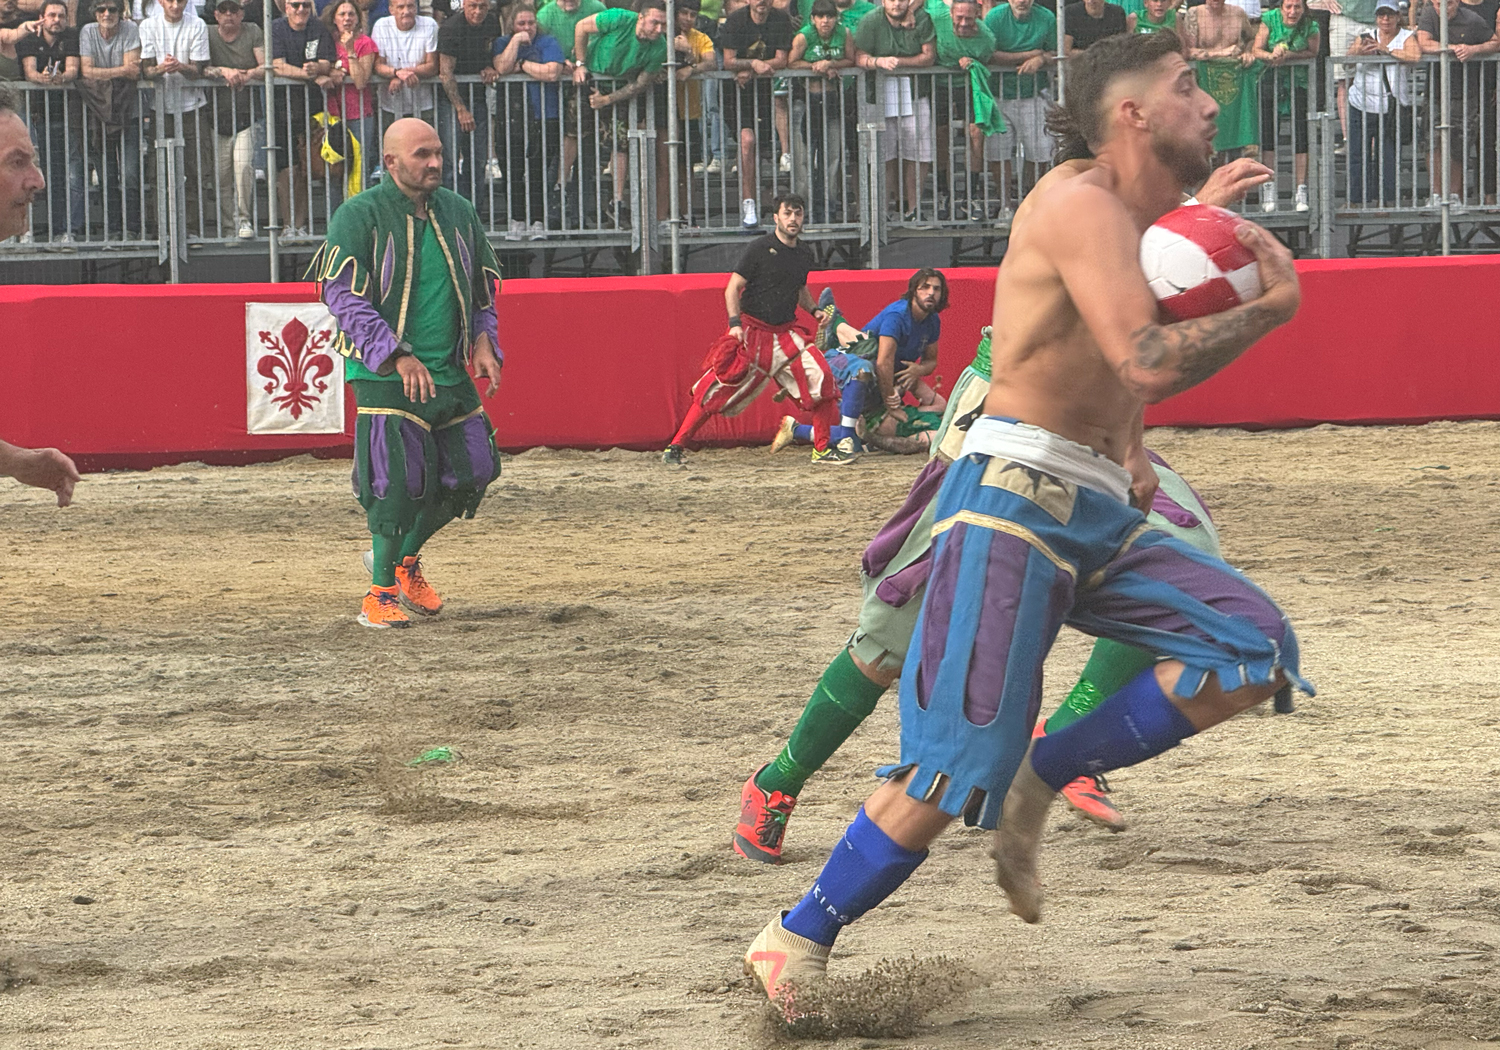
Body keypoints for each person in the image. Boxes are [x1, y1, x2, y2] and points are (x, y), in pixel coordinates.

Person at [742, 32, 1307, 1018]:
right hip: (1008, 503)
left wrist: (1130, 449)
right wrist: (1270, 310)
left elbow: (1113, 365)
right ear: (1131, 114)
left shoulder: (1135, 216)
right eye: (1186, 88)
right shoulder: (1078, 203)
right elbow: (1143, 356)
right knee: (952, 765)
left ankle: (1045, 771)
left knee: (1253, 650)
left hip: (1088, 505)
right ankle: (795, 936)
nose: (1209, 102)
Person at [313, 117, 504, 629]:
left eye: (438, 152)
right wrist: (394, 354)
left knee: (474, 472)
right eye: (422, 155)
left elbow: (482, 289)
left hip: (448, 367)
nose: (436, 163)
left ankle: (402, 562)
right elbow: (341, 296)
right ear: (392, 162)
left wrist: (485, 341)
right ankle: (377, 595)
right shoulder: (359, 215)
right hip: (382, 371)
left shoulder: (459, 212)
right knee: (395, 483)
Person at [662, 192, 846, 467]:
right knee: (716, 389)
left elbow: (800, 289)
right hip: (753, 333)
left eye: (798, 214)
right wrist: (735, 325)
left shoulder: (804, 253)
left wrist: (814, 310)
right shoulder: (759, 248)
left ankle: (821, 449)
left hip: (786, 334)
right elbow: (732, 288)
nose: (793, 219)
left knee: (823, 379)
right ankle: (675, 446)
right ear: (776, 217)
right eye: (787, 213)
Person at [778, 268, 950, 456]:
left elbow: (930, 362)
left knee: (917, 395)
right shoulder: (898, 315)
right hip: (856, 370)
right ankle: (836, 328)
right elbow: (883, 363)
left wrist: (917, 370)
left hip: (882, 385)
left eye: (936, 289)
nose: (931, 293)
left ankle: (837, 328)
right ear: (914, 291)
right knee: (866, 364)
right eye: (925, 287)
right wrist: (891, 403)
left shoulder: (932, 320)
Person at [570, 0, 668, 229]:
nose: (659, 29)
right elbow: (581, 27)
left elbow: (640, 85)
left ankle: (617, 200)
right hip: (592, 76)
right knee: (574, 133)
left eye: (663, 24)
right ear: (641, 17)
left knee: (621, 142)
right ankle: (562, 190)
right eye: (655, 23)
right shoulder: (619, 18)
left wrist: (607, 100)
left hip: (620, 89)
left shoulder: (659, 46)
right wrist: (580, 63)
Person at [852, 0, 936, 222]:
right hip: (878, 95)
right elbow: (859, 56)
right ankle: (883, 210)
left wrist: (898, 62)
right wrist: (878, 61)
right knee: (883, 153)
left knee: (918, 153)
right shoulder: (870, 20)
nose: (897, 3)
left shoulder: (922, 18)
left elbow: (929, 56)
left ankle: (914, 209)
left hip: (916, 93)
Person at [139, 0, 214, 236]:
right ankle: (159, 229)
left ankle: (191, 228)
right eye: (170, 0)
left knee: (195, 170)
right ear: (161, 2)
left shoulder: (198, 24)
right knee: (157, 171)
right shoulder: (148, 25)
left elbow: (198, 70)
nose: (175, 5)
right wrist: (162, 68)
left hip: (193, 106)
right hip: (159, 107)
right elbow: (147, 69)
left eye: (180, 0)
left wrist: (179, 66)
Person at [491, 1, 565, 239]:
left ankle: (538, 220)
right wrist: (515, 41)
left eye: (531, 23)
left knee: (538, 170)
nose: (527, 27)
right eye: (521, 23)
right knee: (511, 169)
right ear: (512, 25)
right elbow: (501, 67)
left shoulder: (548, 42)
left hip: (545, 113)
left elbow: (552, 72)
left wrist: (522, 64)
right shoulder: (503, 42)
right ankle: (516, 219)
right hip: (510, 116)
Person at [1416, 0, 1497, 209]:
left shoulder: (1472, 19)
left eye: (1446, 4)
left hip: (1465, 92)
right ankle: (1436, 194)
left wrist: (1473, 50)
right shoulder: (1428, 15)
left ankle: (1454, 195)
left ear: (1455, 3)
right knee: (1431, 142)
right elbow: (1423, 42)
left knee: (1458, 145)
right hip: (1436, 91)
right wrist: (1453, 49)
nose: (1441, 9)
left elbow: (1495, 42)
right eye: (1436, 4)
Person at [720, 0, 793, 228]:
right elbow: (728, 61)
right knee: (746, 141)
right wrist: (753, 64)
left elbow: (782, 59)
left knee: (758, 147)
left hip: (764, 91)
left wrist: (753, 69)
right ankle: (748, 204)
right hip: (736, 91)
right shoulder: (735, 20)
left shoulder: (781, 19)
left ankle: (761, 201)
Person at [984, 0, 1056, 220]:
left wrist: (1041, 58)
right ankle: (1005, 205)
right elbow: (989, 54)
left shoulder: (1047, 17)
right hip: (998, 93)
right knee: (999, 152)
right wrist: (1028, 55)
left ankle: (1029, 203)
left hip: (1034, 93)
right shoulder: (994, 17)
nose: (1021, 1)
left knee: (1040, 151)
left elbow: (1057, 51)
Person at [17, 0, 82, 241]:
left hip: (67, 116)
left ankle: (65, 231)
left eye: (61, 16)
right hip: (36, 118)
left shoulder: (72, 37)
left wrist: (61, 77)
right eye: (52, 15)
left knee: (68, 175)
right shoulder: (30, 38)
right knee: (39, 175)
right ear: (42, 17)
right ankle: (26, 231)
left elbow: (73, 70)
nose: (57, 20)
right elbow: (30, 72)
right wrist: (43, 79)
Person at [270, 0, 336, 236]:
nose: (301, 10)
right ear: (285, 7)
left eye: (305, 5)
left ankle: (300, 225)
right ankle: (288, 225)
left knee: (306, 169)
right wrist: (309, 76)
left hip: (312, 109)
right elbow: (277, 66)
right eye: (295, 5)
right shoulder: (276, 28)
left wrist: (317, 69)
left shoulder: (318, 27)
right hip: (282, 109)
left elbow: (328, 61)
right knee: (287, 170)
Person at [78, 0, 141, 239]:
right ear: (94, 13)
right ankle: (114, 229)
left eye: (112, 9)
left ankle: (132, 228)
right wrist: (120, 72)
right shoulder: (87, 31)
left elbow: (133, 69)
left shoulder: (130, 29)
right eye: (101, 9)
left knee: (130, 173)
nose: (106, 14)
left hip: (129, 111)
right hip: (99, 113)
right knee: (107, 175)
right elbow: (86, 71)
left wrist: (103, 75)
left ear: (120, 12)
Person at [787, 0, 853, 223]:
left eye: (830, 17)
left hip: (832, 99)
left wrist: (832, 63)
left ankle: (829, 209)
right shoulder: (804, 36)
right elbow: (791, 62)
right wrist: (815, 66)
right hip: (806, 100)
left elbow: (850, 59)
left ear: (836, 18)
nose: (825, 21)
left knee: (832, 156)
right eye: (821, 17)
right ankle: (801, 210)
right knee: (804, 159)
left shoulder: (844, 33)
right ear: (813, 19)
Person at [1344, 0, 1414, 207]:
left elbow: (1415, 56)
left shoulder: (1406, 37)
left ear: (1397, 16)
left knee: (1388, 156)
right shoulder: (1365, 36)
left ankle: (1386, 200)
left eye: (1390, 15)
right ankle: (1357, 200)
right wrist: (1360, 53)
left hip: (1389, 108)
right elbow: (1346, 61)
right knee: (1358, 154)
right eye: (1382, 15)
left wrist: (1386, 51)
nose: (1385, 19)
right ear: (1376, 17)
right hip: (1361, 103)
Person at [536, 0, 602, 216]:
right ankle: (554, 209)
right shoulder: (545, 15)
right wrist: (560, 61)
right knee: (557, 153)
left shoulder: (597, 10)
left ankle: (581, 214)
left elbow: (607, 42)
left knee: (588, 157)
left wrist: (584, 59)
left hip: (590, 91)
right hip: (555, 95)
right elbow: (539, 46)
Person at [1252, 0, 1317, 212]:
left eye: (1297, 6)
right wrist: (1272, 56)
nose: (1292, 11)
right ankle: (1268, 187)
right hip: (1271, 81)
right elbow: (1256, 49)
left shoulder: (1310, 25)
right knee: (1269, 136)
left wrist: (1290, 55)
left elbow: (1313, 52)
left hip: (1297, 83)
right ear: (1281, 8)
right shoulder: (1269, 19)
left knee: (1301, 135)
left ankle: (1301, 189)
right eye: (1288, 6)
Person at [933, 0, 994, 221]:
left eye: (969, 18)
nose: (963, 23)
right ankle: (943, 193)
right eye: (959, 18)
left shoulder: (986, 38)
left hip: (969, 84)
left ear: (978, 14)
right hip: (938, 83)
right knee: (941, 135)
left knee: (976, 134)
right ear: (951, 14)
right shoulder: (936, 22)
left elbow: (988, 61)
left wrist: (974, 62)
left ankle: (971, 194)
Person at [205, 0, 262, 239]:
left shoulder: (253, 30)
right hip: (215, 117)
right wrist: (224, 71)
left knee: (242, 166)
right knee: (222, 175)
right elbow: (202, 69)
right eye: (224, 10)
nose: (229, 14)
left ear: (241, 14)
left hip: (247, 115)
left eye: (234, 10)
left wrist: (246, 74)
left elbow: (265, 65)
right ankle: (228, 227)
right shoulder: (207, 33)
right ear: (216, 14)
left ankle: (243, 220)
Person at [435, 0, 499, 198]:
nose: (478, 11)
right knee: (451, 161)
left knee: (478, 159)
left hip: (478, 97)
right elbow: (445, 73)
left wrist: (491, 67)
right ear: (464, 5)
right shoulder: (450, 28)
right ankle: (451, 212)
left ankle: (475, 212)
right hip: (450, 100)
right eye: (473, 6)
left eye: (482, 6)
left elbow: (494, 54)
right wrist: (460, 109)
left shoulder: (492, 22)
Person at [1180, 0, 1258, 158]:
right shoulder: (1195, 14)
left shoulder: (1238, 13)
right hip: (1205, 84)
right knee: (1207, 140)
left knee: (1235, 147)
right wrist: (1222, 53)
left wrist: (1248, 52)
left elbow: (1251, 38)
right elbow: (1189, 51)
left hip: (1233, 86)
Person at [323, 0, 378, 201]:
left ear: (357, 18)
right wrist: (331, 71)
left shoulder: (366, 43)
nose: (347, 18)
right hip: (332, 115)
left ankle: (358, 223)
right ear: (334, 18)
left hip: (359, 115)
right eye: (342, 14)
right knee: (334, 170)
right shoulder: (327, 41)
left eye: (351, 14)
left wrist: (350, 51)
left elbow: (361, 81)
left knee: (359, 172)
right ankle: (335, 223)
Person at [372, 0, 438, 126]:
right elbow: (378, 65)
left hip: (423, 103)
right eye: (400, 7)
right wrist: (397, 73)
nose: (406, 11)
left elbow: (432, 66)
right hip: (390, 104)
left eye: (410, 6)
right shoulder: (381, 25)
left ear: (417, 8)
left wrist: (400, 74)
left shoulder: (429, 24)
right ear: (391, 9)